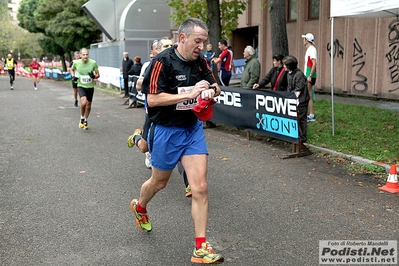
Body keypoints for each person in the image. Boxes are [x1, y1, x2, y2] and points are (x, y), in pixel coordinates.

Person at [129, 18, 224, 264]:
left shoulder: (201, 61)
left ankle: (200, 248)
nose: (201, 46)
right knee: (159, 183)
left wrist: (209, 91)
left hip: (191, 129)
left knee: (200, 187)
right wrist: (189, 93)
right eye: (197, 41)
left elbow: (217, 86)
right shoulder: (162, 62)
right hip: (165, 130)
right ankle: (140, 207)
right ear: (182, 38)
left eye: (203, 41)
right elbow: (152, 100)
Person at [127, 37, 192, 197]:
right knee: (144, 147)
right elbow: (138, 84)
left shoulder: (180, 63)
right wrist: (161, 84)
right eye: (165, 46)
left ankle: (189, 183)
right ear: (155, 50)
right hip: (155, 115)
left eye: (171, 45)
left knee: (181, 145)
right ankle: (136, 137)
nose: (170, 48)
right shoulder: (150, 65)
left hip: (177, 114)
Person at [70, 48, 100, 130]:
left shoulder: (93, 63)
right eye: (83, 55)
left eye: (87, 54)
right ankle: (82, 117)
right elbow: (71, 69)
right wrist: (73, 76)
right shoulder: (76, 63)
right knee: (83, 102)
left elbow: (98, 74)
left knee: (88, 105)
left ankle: (86, 120)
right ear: (80, 55)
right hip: (81, 85)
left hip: (90, 86)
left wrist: (94, 76)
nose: (85, 56)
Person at [283, 55, 309, 143]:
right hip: (293, 99)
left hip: (301, 100)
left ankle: (302, 138)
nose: (283, 67)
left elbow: (299, 89)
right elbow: (289, 87)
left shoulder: (299, 75)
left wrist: (290, 95)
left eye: (285, 65)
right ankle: (295, 136)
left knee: (301, 119)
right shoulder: (289, 73)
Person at [301, 32, 317, 122]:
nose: (303, 40)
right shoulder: (310, 49)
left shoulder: (312, 49)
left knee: (308, 95)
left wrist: (310, 75)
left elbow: (314, 63)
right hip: (308, 74)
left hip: (310, 74)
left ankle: (310, 115)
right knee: (308, 94)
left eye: (304, 39)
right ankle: (310, 114)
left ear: (306, 40)